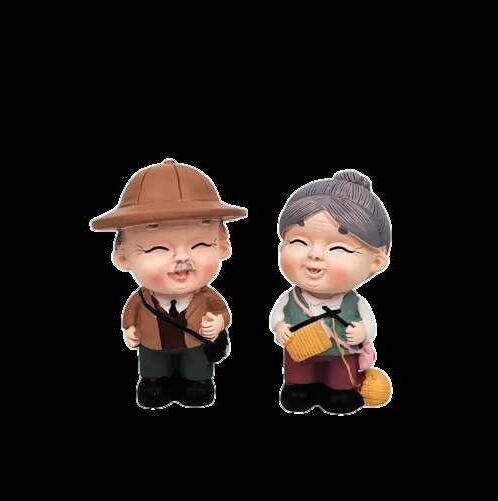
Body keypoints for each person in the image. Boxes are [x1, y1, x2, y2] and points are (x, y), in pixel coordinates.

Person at [90, 158, 247, 409]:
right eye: (158, 249)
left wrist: (219, 322)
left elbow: (222, 312)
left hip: (195, 344)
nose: (182, 258)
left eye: (201, 245)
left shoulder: (207, 296)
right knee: (154, 367)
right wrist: (129, 329)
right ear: (123, 257)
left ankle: (198, 384)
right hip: (153, 344)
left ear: (223, 247)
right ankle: (154, 384)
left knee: (197, 367)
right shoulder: (141, 300)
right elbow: (130, 316)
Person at [270, 170, 391, 414]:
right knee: (299, 373)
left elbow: (369, 324)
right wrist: (279, 326)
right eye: (299, 242)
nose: (314, 255)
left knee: (340, 376)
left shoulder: (355, 303)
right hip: (300, 351)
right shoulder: (290, 299)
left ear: (376, 261)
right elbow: (277, 316)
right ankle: (299, 390)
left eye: (337, 248)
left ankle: (339, 392)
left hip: (341, 352)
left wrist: (363, 331)